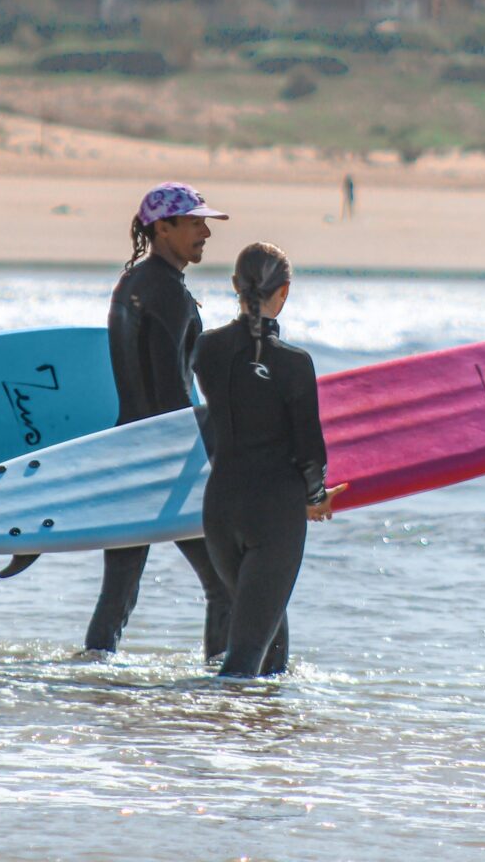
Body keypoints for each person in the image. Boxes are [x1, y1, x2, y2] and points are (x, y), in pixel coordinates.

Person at [0, 183, 234, 659]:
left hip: (131, 448)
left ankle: (95, 674)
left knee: (121, 588)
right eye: (195, 223)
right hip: (164, 456)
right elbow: (171, 390)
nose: (206, 232)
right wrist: (207, 457)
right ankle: (225, 689)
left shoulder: (133, 282)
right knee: (224, 585)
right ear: (162, 228)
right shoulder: (165, 291)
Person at [192, 243, 346, 678]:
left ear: (235, 288)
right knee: (244, 659)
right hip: (273, 514)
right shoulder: (295, 364)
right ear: (285, 292)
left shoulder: (206, 349)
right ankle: (220, 740)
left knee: (268, 640)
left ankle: (261, 732)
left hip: (220, 510)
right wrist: (316, 496)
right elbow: (309, 449)